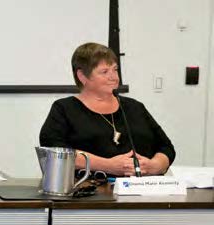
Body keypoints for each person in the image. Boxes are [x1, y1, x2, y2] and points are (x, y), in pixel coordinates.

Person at [39, 42, 175, 177]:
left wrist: (155, 166)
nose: (114, 77)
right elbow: (55, 152)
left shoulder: (135, 107)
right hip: (88, 192)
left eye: (115, 70)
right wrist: (107, 166)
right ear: (82, 76)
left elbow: (166, 147)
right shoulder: (64, 109)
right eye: (104, 71)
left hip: (141, 191)